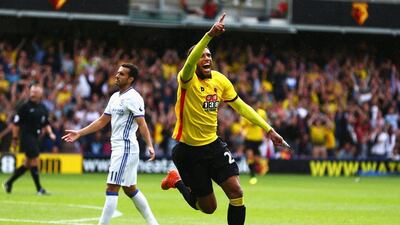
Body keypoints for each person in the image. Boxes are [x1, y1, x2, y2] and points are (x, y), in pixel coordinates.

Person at [160, 13, 288, 225]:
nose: (207, 58)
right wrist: (209, 35)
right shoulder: (186, 80)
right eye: (202, 55)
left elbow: (241, 106)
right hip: (189, 151)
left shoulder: (220, 80)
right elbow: (191, 61)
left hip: (213, 145)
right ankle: (177, 181)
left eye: (209, 55)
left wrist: (269, 129)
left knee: (236, 191)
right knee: (208, 208)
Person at [62, 63, 159, 225]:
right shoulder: (115, 97)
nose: (117, 75)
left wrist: (149, 144)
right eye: (117, 73)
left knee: (112, 188)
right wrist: (79, 133)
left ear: (130, 79)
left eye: (121, 74)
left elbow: (142, 124)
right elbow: (102, 121)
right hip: (121, 148)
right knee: (130, 189)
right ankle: (153, 223)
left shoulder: (134, 97)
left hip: (125, 148)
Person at [3, 85, 56, 195]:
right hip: (27, 136)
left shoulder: (43, 108)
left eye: (36, 92)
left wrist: (50, 133)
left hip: (36, 137)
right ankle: (39, 189)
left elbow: (46, 123)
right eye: (32, 91)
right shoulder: (25, 107)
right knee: (35, 160)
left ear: (41, 94)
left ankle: (9, 182)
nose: (33, 94)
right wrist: (15, 139)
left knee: (27, 163)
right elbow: (16, 125)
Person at [241, 101, 267, 185]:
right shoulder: (246, 112)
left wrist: (265, 134)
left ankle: (260, 170)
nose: (256, 106)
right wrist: (243, 132)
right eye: (254, 104)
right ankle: (252, 175)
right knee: (249, 155)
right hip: (249, 138)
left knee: (256, 159)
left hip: (258, 139)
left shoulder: (262, 113)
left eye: (256, 104)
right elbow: (243, 126)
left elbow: (264, 124)